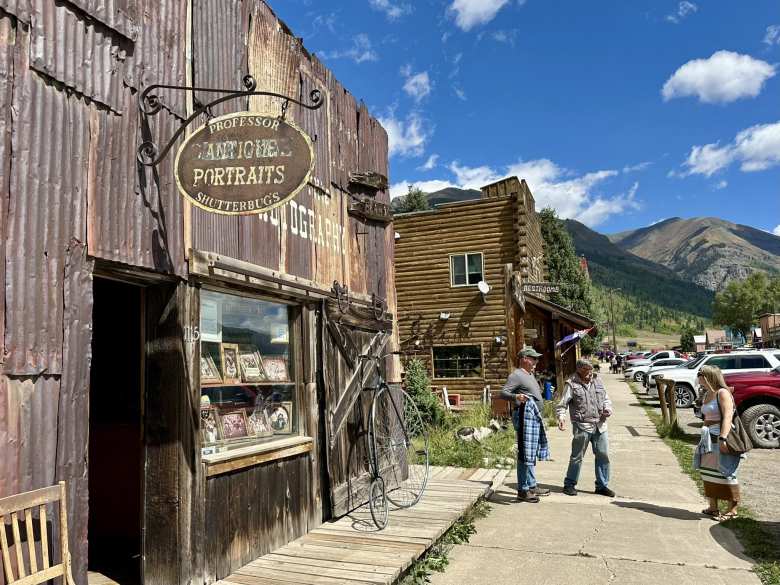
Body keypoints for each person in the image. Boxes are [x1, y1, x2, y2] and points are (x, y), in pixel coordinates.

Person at [556, 359, 615, 497]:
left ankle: (602, 485)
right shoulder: (571, 384)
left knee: (603, 455)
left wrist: (607, 409)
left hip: (600, 425)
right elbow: (562, 404)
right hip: (582, 426)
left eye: (591, 371)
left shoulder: (598, 381)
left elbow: (606, 399)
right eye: (587, 371)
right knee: (577, 457)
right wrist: (561, 418)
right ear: (580, 370)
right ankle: (569, 484)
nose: (590, 374)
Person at [501, 346, 551, 502]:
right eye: (533, 358)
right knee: (524, 453)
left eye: (536, 358)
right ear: (524, 359)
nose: (536, 361)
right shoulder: (516, 375)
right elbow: (503, 393)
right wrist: (517, 397)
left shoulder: (529, 374)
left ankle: (531, 485)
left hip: (533, 418)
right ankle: (523, 490)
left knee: (530, 451)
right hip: (523, 417)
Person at [694, 365, 741, 520]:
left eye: (700, 374)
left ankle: (732, 509)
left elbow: (728, 417)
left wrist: (723, 438)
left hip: (720, 435)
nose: (698, 376)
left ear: (708, 376)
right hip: (707, 438)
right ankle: (713, 507)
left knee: (725, 472)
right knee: (708, 472)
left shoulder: (723, 393)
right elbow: (706, 416)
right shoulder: (708, 393)